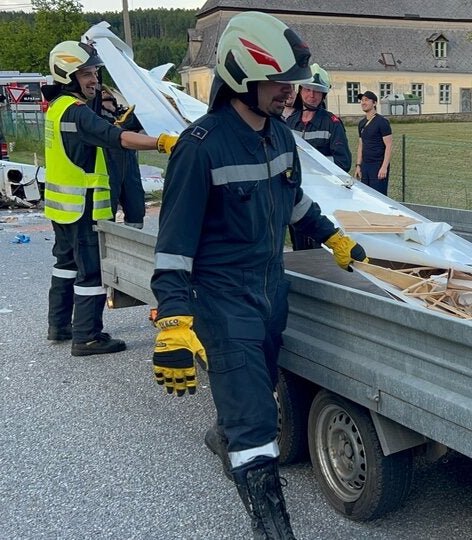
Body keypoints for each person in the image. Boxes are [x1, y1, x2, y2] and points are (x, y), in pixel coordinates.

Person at [148, 12, 367, 538]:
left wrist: (333, 237)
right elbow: (173, 247)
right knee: (256, 422)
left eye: (294, 83)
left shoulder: (281, 137)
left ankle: (226, 437)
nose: (290, 92)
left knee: (259, 389)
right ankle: (272, 526)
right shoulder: (199, 148)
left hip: (271, 291)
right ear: (241, 77)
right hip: (223, 301)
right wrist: (173, 321)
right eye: (280, 83)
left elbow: (292, 201)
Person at [43, 40, 177, 356]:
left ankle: (59, 326)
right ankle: (87, 337)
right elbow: (115, 138)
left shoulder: (58, 107)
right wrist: (161, 142)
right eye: (86, 74)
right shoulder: (77, 112)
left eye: (95, 73)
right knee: (91, 271)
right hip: (84, 206)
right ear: (68, 76)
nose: (94, 80)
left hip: (62, 208)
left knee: (65, 265)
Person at [286, 63, 351, 250]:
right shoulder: (290, 122)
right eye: (307, 89)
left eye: (317, 91)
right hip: (297, 195)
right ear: (300, 91)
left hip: (323, 198)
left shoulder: (332, 123)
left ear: (323, 95)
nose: (312, 95)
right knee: (299, 245)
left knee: (320, 247)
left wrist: (313, 168)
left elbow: (343, 162)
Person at [99, 88, 146, 229]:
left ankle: (134, 238)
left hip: (129, 166)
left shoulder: (121, 113)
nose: (104, 92)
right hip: (109, 166)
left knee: (136, 208)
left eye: (106, 90)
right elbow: (108, 132)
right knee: (107, 211)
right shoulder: (96, 115)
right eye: (101, 91)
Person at [354, 90, 392, 195]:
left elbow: (389, 145)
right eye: (362, 100)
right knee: (366, 196)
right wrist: (358, 166)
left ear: (374, 103)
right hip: (365, 165)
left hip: (378, 165)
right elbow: (361, 145)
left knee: (378, 197)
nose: (363, 103)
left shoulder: (382, 122)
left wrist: (384, 167)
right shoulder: (361, 123)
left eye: (366, 100)